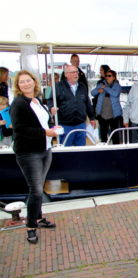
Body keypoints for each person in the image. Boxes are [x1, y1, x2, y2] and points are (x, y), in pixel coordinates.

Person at [10, 70, 60, 244]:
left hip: (45, 150)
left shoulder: (38, 100)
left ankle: (38, 218)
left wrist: (53, 127)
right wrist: (45, 132)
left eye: (28, 80)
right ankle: (31, 226)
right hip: (28, 153)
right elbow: (20, 129)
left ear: (34, 82)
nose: (26, 84)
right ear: (18, 86)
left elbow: (45, 122)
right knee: (36, 191)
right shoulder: (18, 104)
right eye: (22, 82)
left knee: (39, 187)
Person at [48, 65, 96, 146]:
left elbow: (87, 102)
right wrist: (51, 108)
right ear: (66, 74)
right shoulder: (58, 86)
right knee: (66, 150)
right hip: (65, 125)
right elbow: (51, 100)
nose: (76, 74)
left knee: (81, 150)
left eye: (77, 72)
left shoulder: (82, 86)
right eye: (73, 72)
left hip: (81, 124)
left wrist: (92, 117)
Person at [91, 70, 122, 144]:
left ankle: (116, 149)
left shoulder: (117, 86)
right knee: (103, 134)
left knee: (115, 134)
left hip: (114, 114)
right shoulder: (101, 84)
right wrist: (98, 90)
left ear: (114, 77)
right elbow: (92, 92)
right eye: (106, 75)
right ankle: (104, 148)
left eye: (109, 76)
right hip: (102, 114)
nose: (107, 77)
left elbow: (115, 94)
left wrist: (105, 88)